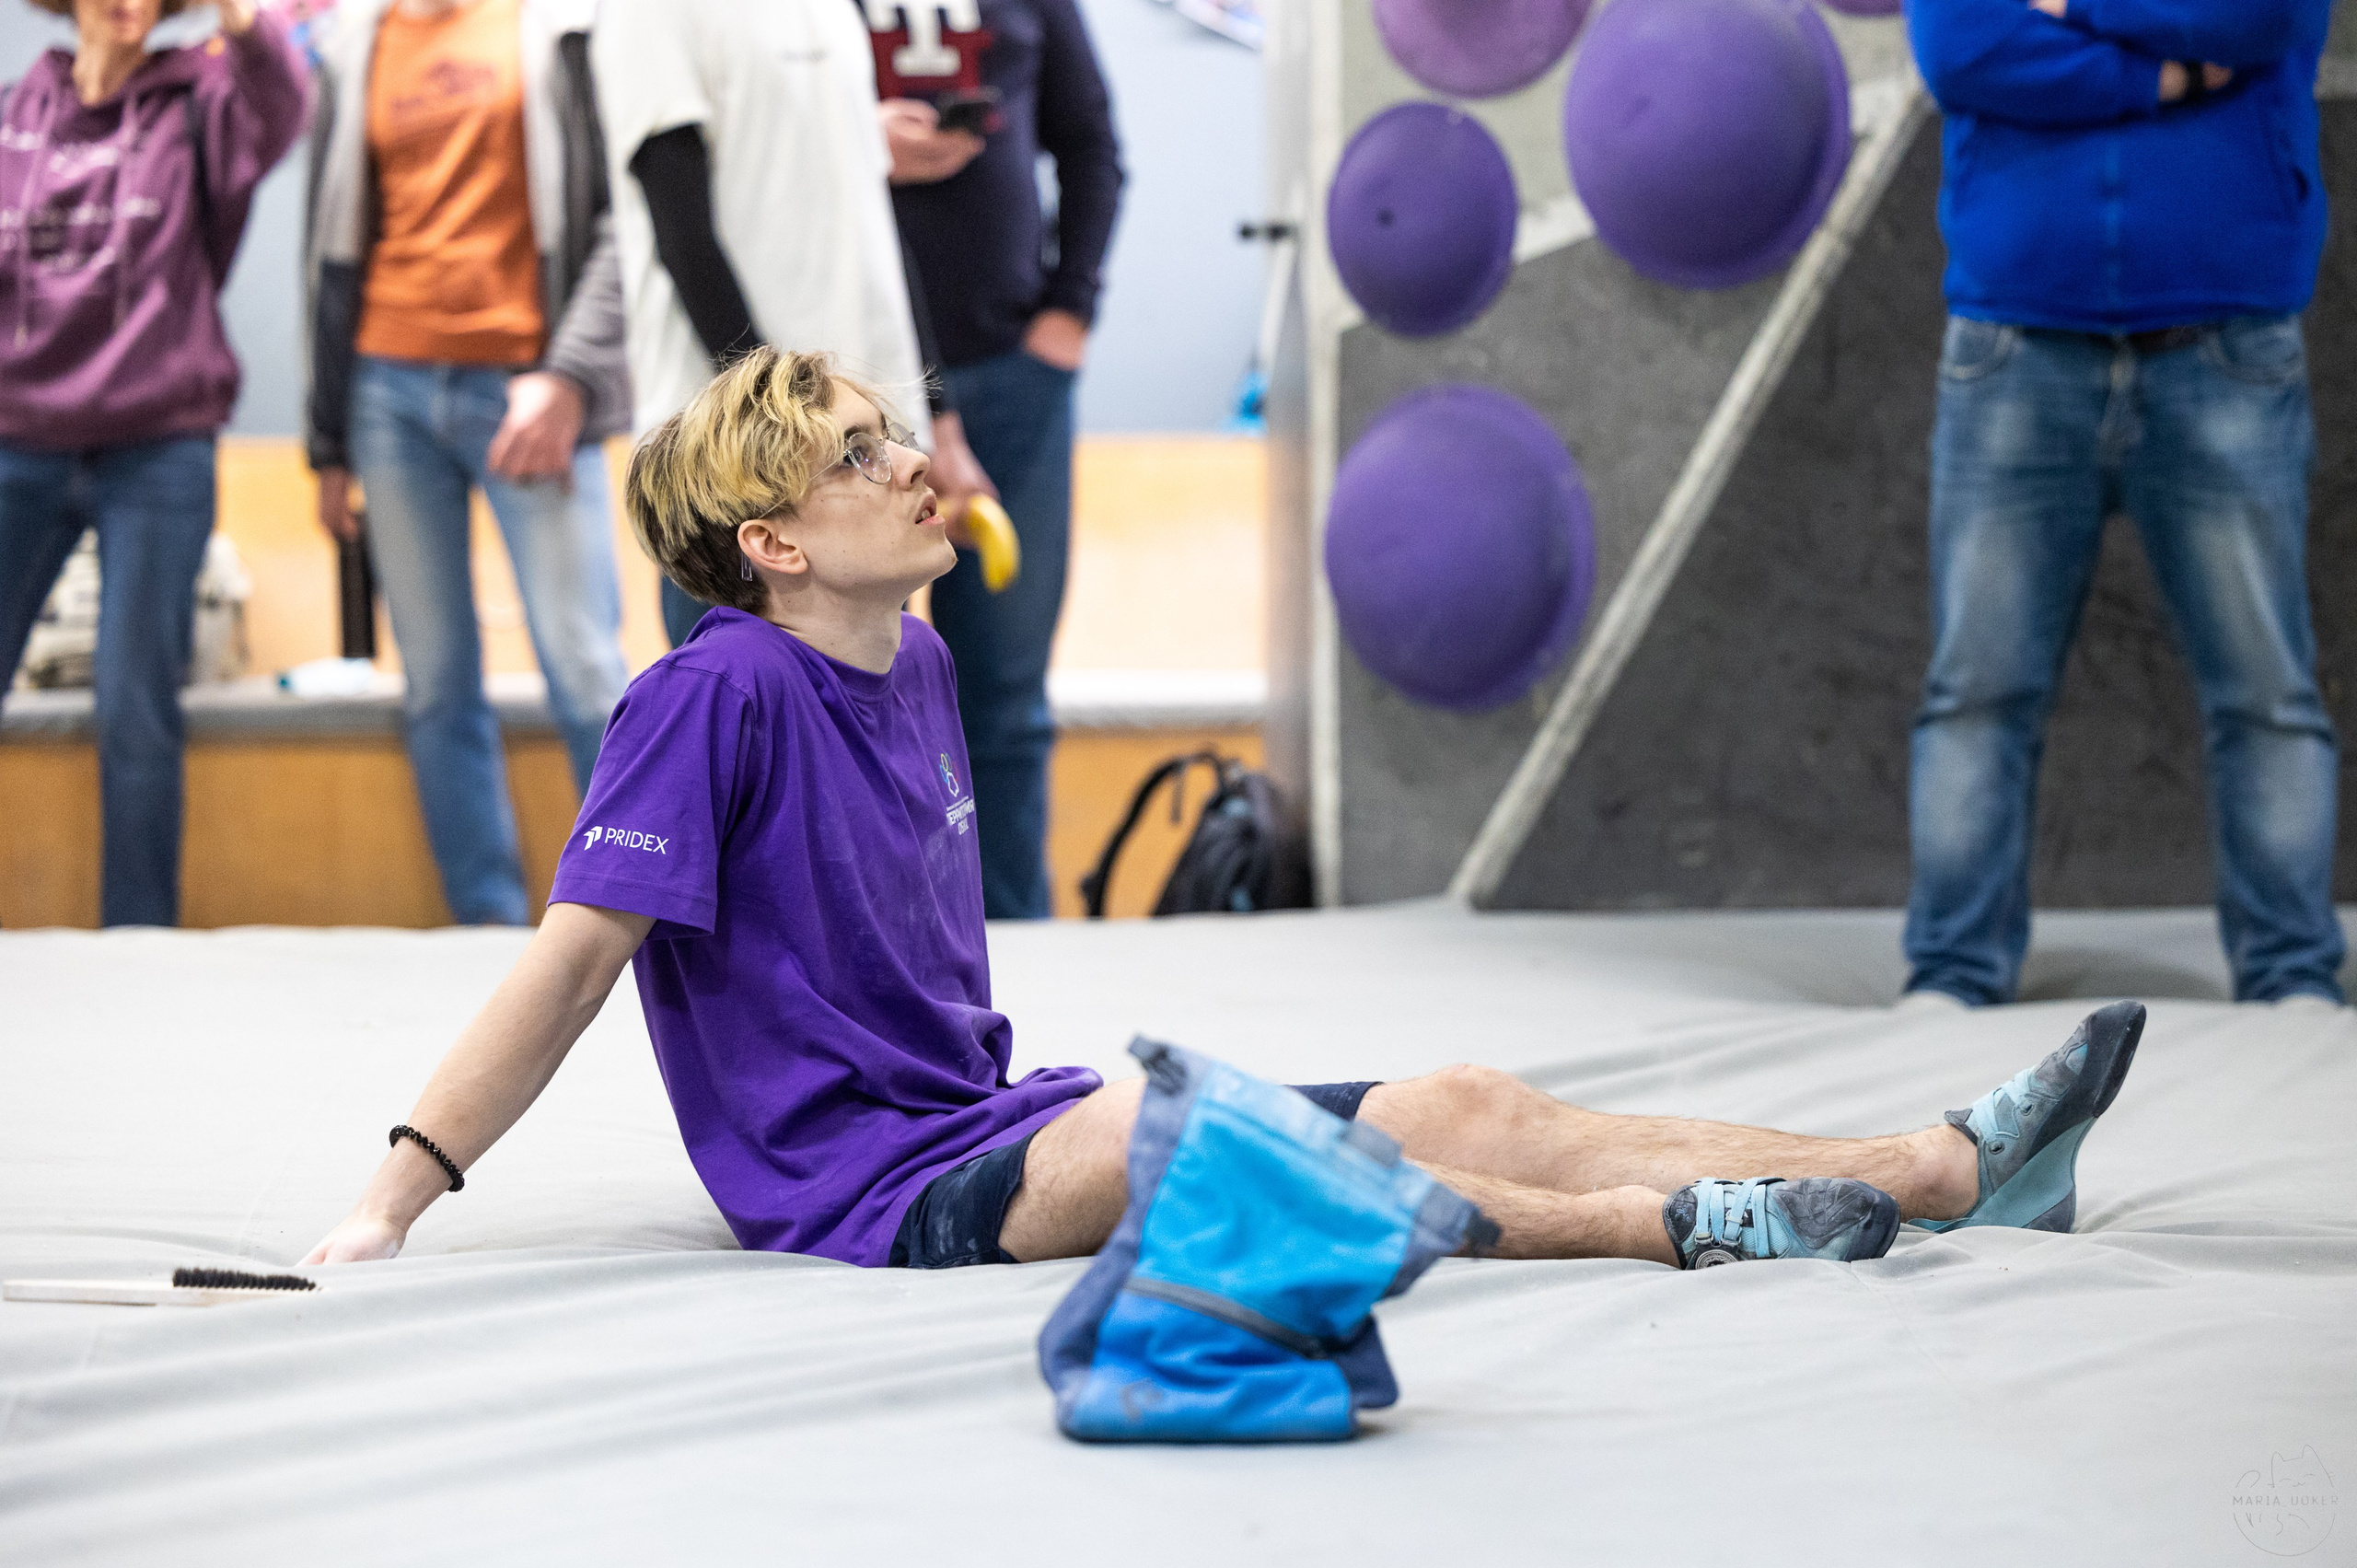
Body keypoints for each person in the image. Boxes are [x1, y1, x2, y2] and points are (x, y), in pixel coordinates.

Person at [305, 349, 2149, 1272]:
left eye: (894, 429)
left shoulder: (923, 660)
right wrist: (393, 1195)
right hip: (864, 1185)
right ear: (772, 544)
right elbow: (564, 971)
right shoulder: (702, 695)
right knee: (1246, 1149)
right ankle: (1716, 1222)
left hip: (990, 1112)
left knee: (1458, 1099)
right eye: (856, 459)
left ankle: (1938, 1164)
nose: (908, 461)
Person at [1903, 0, 2345, 1006]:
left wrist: (2074, 6)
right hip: (2012, 343)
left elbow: (2253, 19)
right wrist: (2166, 73)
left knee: (2266, 695)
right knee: (1975, 694)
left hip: (2227, 338)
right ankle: (1952, 975)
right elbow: (1959, 45)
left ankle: (2290, 975)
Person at [303, 0, 633, 926]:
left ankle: (634, 922)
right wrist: (328, 438)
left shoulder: (563, 26)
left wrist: (567, 378)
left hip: (526, 386)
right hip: (387, 390)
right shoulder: (355, 40)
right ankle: (484, 929)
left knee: (585, 671)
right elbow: (325, 250)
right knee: (437, 681)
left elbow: (621, 216)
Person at [0, 0, 308, 927]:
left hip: (158, 447)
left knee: (137, 707)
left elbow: (282, 108)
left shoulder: (201, 97)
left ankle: (137, 937)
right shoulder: (16, 113)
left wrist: (243, 20)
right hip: (20, 440)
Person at [587, 0, 994, 653]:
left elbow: (873, 235)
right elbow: (686, 242)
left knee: (862, 737)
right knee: (740, 736)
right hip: (741, 469)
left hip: (863, 458)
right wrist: (785, 440)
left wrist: (936, 422)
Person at [865, 0, 1125, 919]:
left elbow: (1091, 147)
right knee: (847, 695)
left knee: (1005, 700)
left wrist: (1069, 316)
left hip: (1014, 379)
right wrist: (854, 139)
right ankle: (873, 944)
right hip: (855, 387)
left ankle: (1017, 935)